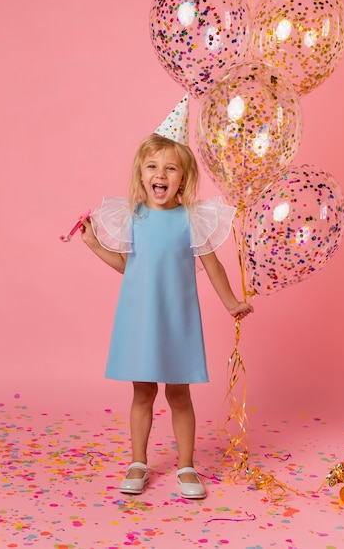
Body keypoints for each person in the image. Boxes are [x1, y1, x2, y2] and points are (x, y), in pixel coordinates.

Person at [79, 94, 253, 499]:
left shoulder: (192, 220)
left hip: (177, 320)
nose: (161, 174)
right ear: (141, 175)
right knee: (142, 392)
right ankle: (138, 461)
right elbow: (126, 265)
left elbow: (213, 266)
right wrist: (92, 245)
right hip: (141, 318)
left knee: (179, 393)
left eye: (170, 168)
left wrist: (230, 303)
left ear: (183, 178)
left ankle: (186, 466)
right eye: (153, 167)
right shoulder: (133, 218)